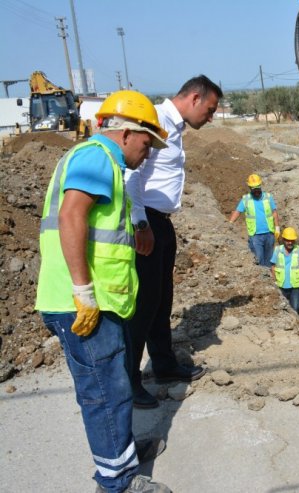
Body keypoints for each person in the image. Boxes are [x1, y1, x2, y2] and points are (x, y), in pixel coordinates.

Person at [35, 90, 171, 492]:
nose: (148, 153)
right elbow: (72, 214)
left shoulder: (106, 164)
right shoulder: (96, 157)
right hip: (81, 303)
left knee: (113, 383)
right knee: (105, 394)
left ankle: (122, 453)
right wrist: (84, 291)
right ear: (127, 133)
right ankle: (118, 482)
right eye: (147, 143)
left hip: (98, 302)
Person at [124, 75, 223, 409]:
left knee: (161, 300)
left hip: (161, 223)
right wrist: (140, 223)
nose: (210, 118)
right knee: (143, 305)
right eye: (209, 110)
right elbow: (132, 174)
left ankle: (164, 365)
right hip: (146, 221)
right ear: (194, 98)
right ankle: (130, 381)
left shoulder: (176, 128)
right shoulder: (153, 120)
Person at [228, 173, 280, 266]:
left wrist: (277, 227)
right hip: (255, 235)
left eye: (257, 188)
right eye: (253, 189)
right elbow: (237, 211)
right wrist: (230, 223)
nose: (256, 191)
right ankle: (261, 278)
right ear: (249, 187)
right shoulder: (246, 199)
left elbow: (274, 212)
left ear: (260, 186)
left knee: (269, 260)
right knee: (258, 259)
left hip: (269, 233)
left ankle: (267, 279)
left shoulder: (268, 197)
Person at [270, 227, 299, 315]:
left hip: (295, 286)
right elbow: (273, 266)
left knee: (295, 308)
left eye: (292, 240)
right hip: (281, 285)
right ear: (283, 239)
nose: (290, 242)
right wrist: (274, 280)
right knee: (282, 310)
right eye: (287, 240)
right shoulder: (277, 250)